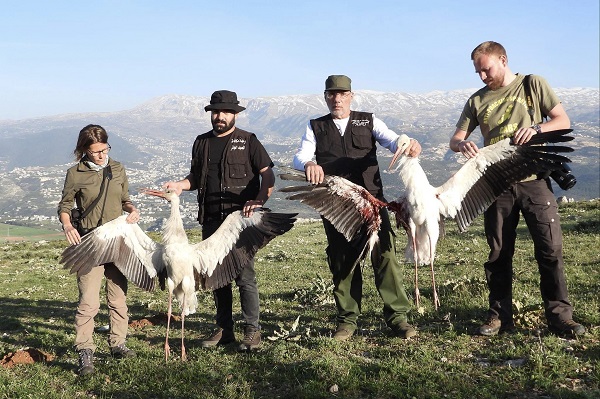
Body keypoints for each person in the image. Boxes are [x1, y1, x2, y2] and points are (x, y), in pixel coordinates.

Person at [449, 41, 585, 337]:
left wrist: (537, 129)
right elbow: (455, 139)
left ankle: (560, 316)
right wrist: (463, 144)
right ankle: (499, 318)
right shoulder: (476, 101)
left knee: (550, 250)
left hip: (535, 181)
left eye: (485, 69)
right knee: (498, 253)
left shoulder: (533, 84)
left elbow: (562, 120)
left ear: (503, 59)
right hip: (496, 186)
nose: (482, 76)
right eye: (478, 72)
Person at [292, 75, 421, 340]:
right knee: (342, 259)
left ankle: (398, 318)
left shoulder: (369, 120)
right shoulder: (316, 126)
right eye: (331, 94)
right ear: (325, 96)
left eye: (342, 94)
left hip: (372, 202)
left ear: (351, 95)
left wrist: (406, 144)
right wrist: (308, 165)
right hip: (336, 204)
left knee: (384, 256)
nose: (336, 99)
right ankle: (347, 321)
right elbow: (301, 155)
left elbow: (392, 140)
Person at [163, 90, 275, 351]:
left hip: (239, 224)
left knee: (244, 276)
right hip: (211, 220)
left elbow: (268, 175)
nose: (219, 116)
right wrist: (180, 185)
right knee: (216, 277)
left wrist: (259, 200)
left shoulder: (248, 141)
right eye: (215, 112)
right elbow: (195, 177)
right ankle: (225, 330)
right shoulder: (201, 142)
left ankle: (252, 331)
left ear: (235, 114)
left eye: (225, 112)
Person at [58, 124, 140, 376]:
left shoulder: (118, 168)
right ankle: (85, 351)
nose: (102, 156)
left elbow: (124, 198)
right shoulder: (75, 173)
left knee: (118, 298)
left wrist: (132, 209)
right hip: (90, 243)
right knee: (88, 302)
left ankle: (118, 344)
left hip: (117, 242)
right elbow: (64, 205)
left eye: (105, 150)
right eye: (95, 152)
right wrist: (67, 225)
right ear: (84, 150)